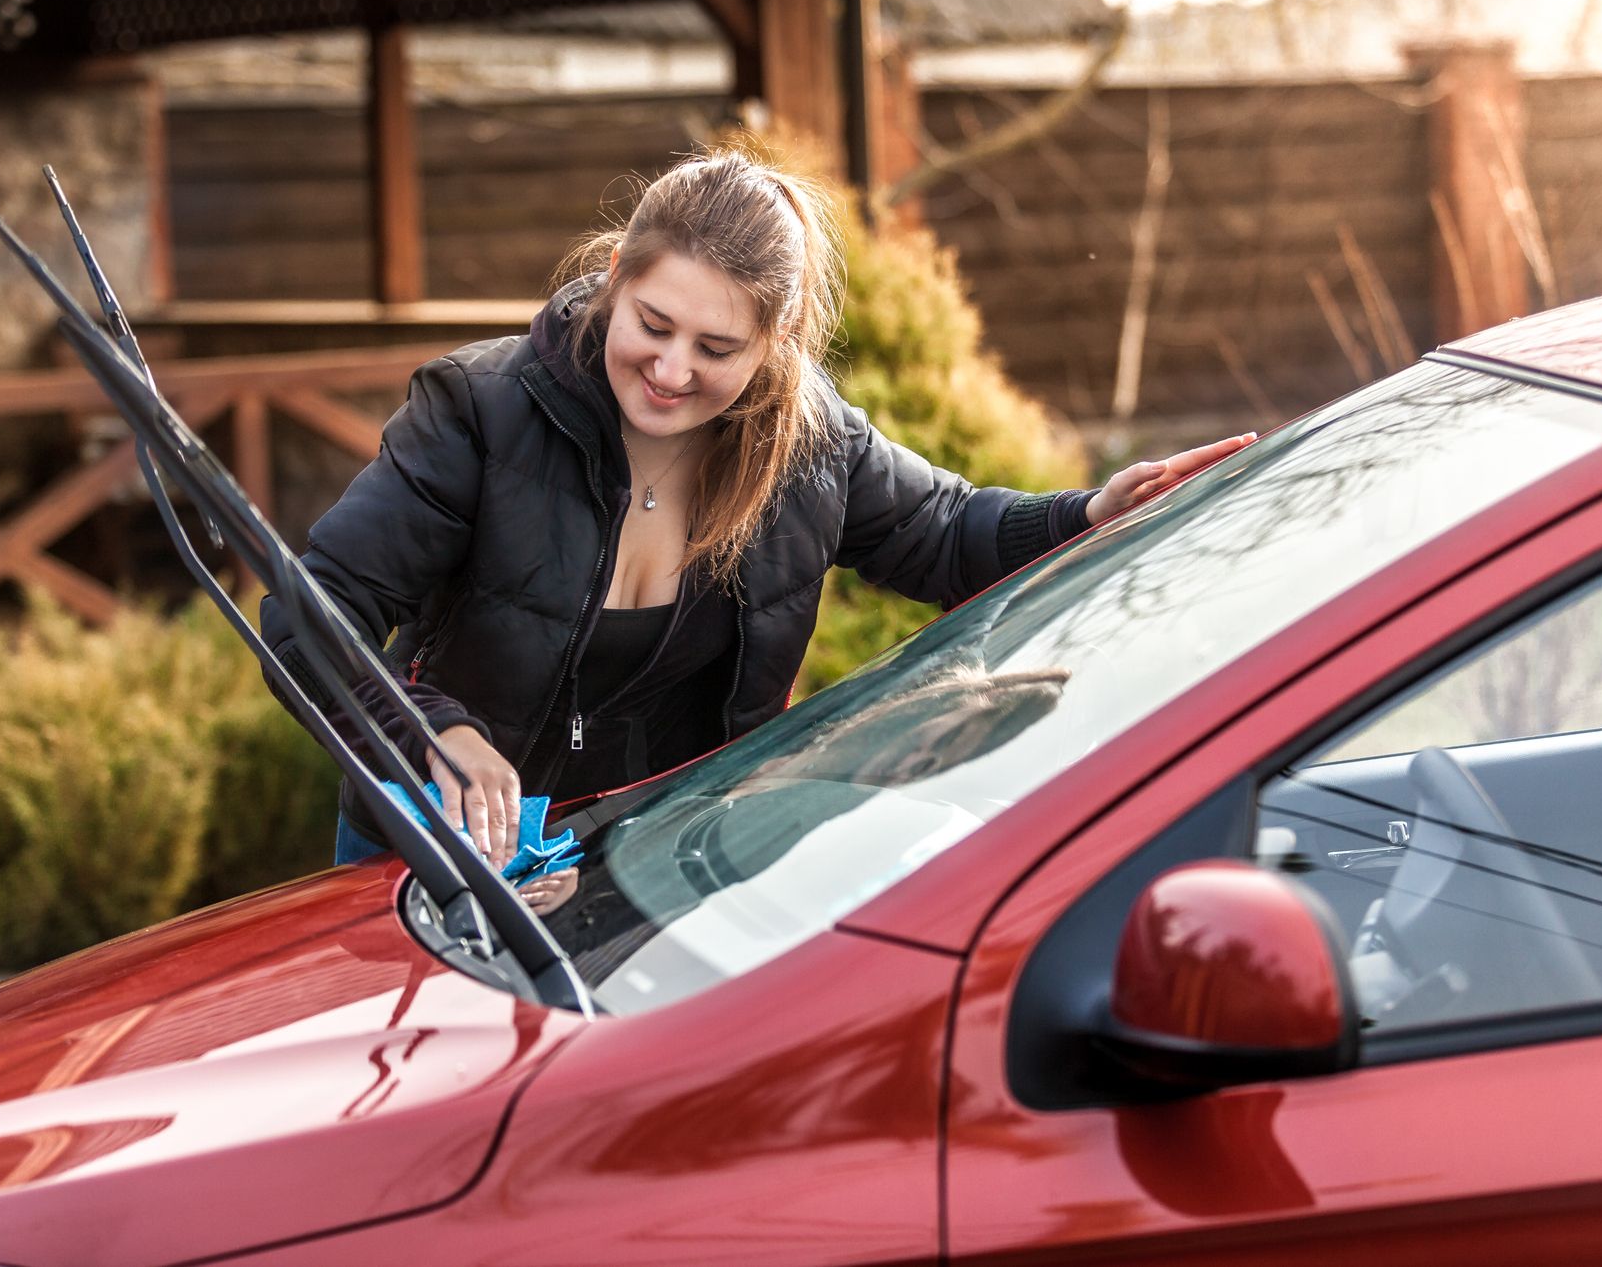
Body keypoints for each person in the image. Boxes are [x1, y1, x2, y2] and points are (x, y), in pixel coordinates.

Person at [260, 144, 1251, 909]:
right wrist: (437, 734)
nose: (672, 369)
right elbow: (308, 622)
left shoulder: (805, 442)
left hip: (656, 872)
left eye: (717, 346)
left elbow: (945, 534)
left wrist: (1087, 512)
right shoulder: (480, 413)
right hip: (445, 859)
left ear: (773, 343)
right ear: (612, 277)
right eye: (651, 323)